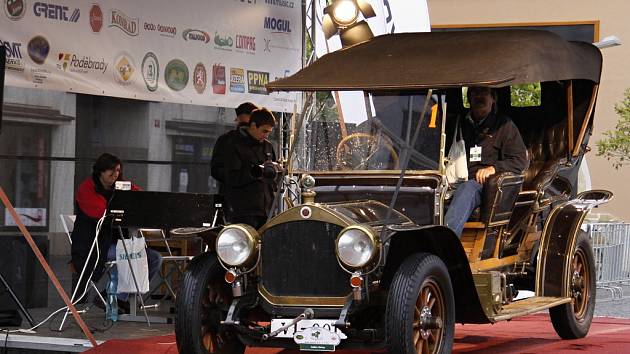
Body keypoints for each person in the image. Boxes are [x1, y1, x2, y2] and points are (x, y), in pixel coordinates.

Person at [70, 153, 162, 312]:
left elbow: (142, 198)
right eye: (110, 171)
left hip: (121, 242)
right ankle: (116, 298)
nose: (115, 174)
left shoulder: (122, 186)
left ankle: (116, 297)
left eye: (118, 170)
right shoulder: (87, 189)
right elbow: (102, 215)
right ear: (100, 171)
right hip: (96, 246)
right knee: (129, 255)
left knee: (154, 258)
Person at [444, 86, 529, 237]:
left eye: (484, 92)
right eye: (475, 93)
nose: (479, 97)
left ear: (493, 98)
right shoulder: (458, 123)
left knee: (467, 188)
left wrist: (493, 168)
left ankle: (446, 244)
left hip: (482, 185)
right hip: (452, 180)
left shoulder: (504, 125)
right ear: (469, 98)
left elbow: (520, 160)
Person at [215, 108, 278, 228]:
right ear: (253, 125)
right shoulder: (235, 144)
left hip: (266, 209)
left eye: (269, 132)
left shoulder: (268, 146)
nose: (266, 135)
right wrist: (254, 172)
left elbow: (272, 175)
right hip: (243, 210)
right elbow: (231, 176)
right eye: (264, 131)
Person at [211, 102, 259, 197]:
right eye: (244, 123)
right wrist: (238, 178)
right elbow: (216, 170)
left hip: (256, 200)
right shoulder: (226, 140)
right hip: (232, 198)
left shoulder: (264, 143)